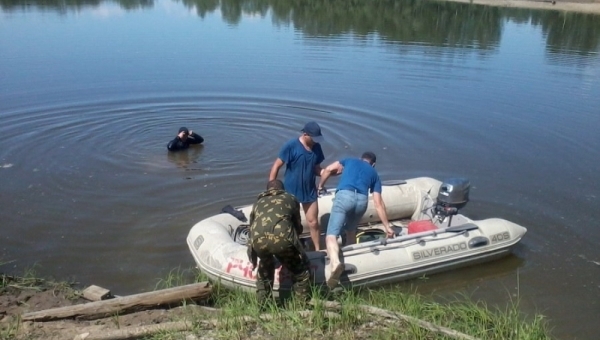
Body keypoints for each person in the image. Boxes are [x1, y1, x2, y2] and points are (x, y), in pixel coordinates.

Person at [317, 151, 394, 288]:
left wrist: (321, 186)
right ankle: (353, 260)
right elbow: (378, 203)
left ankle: (335, 264)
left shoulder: (349, 161)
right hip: (361, 201)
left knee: (331, 235)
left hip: (344, 196)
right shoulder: (374, 174)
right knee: (351, 231)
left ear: (361, 158)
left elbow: (328, 169)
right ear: (373, 164)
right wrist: (387, 227)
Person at [247, 179, 311, 307]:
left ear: (267, 190)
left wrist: (253, 255)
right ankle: (301, 307)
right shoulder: (290, 198)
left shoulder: (258, 203)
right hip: (282, 240)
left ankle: (262, 306)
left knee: (264, 270)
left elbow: (252, 227)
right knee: (301, 272)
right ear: (282, 189)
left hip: (258, 242)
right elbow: (297, 225)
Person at [269, 121, 326, 251]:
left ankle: (318, 250)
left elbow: (316, 168)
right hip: (290, 192)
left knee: (313, 222)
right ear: (305, 134)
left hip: (309, 192)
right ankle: (291, 249)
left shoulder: (316, 147)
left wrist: (324, 173)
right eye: (313, 138)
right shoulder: (291, 146)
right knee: (289, 223)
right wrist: (271, 189)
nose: (315, 141)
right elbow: (276, 165)